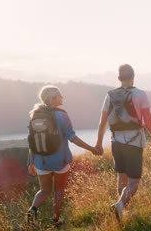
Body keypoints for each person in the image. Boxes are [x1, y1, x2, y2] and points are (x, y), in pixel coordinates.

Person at [27, 85, 101, 227]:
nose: (62, 98)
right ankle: (55, 220)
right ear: (53, 99)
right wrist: (91, 149)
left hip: (41, 161)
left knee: (44, 190)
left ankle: (32, 210)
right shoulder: (61, 115)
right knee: (59, 190)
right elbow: (73, 138)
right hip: (60, 161)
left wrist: (30, 163)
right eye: (60, 96)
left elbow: (32, 141)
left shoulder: (36, 115)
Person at [95, 64, 151, 221]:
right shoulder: (140, 94)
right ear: (133, 77)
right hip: (134, 142)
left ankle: (122, 211)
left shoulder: (110, 96)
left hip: (116, 141)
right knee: (134, 182)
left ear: (119, 78)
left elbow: (102, 122)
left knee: (121, 178)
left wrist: (98, 143)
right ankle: (120, 204)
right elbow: (148, 118)